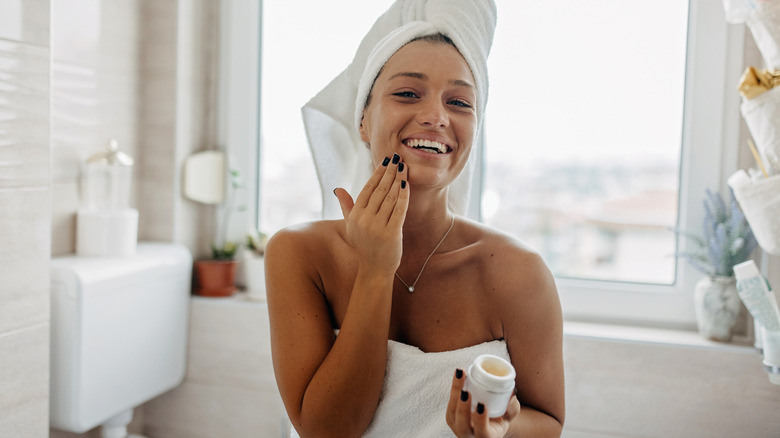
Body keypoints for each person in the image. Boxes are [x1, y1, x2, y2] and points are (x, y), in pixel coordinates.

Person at [266, 1, 564, 436]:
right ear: (363, 121)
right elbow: (327, 431)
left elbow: (549, 422)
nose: (436, 117)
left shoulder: (518, 273)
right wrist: (375, 269)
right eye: (407, 93)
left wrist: (499, 432)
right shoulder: (299, 254)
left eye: (459, 102)